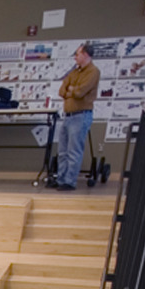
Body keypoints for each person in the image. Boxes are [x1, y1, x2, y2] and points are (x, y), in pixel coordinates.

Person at [54, 44, 100, 191]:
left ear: (86, 55)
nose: (75, 57)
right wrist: (71, 90)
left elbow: (80, 92)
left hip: (80, 116)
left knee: (74, 151)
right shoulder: (74, 71)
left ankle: (69, 181)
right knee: (62, 151)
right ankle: (60, 179)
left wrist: (72, 90)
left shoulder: (93, 72)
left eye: (77, 54)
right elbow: (62, 90)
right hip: (68, 116)